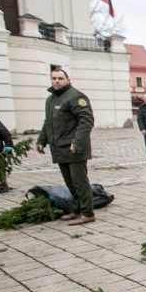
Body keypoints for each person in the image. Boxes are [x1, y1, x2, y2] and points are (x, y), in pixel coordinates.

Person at [36, 69, 96, 225]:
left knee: (80, 182)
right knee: (70, 183)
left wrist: (77, 142)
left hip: (74, 147)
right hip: (59, 148)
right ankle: (76, 210)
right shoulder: (50, 100)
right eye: (54, 78)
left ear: (68, 79)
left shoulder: (76, 96)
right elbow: (48, 123)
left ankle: (87, 213)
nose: (57, 81)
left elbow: (86, 120)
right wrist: (42, 140)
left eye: (60, 78)